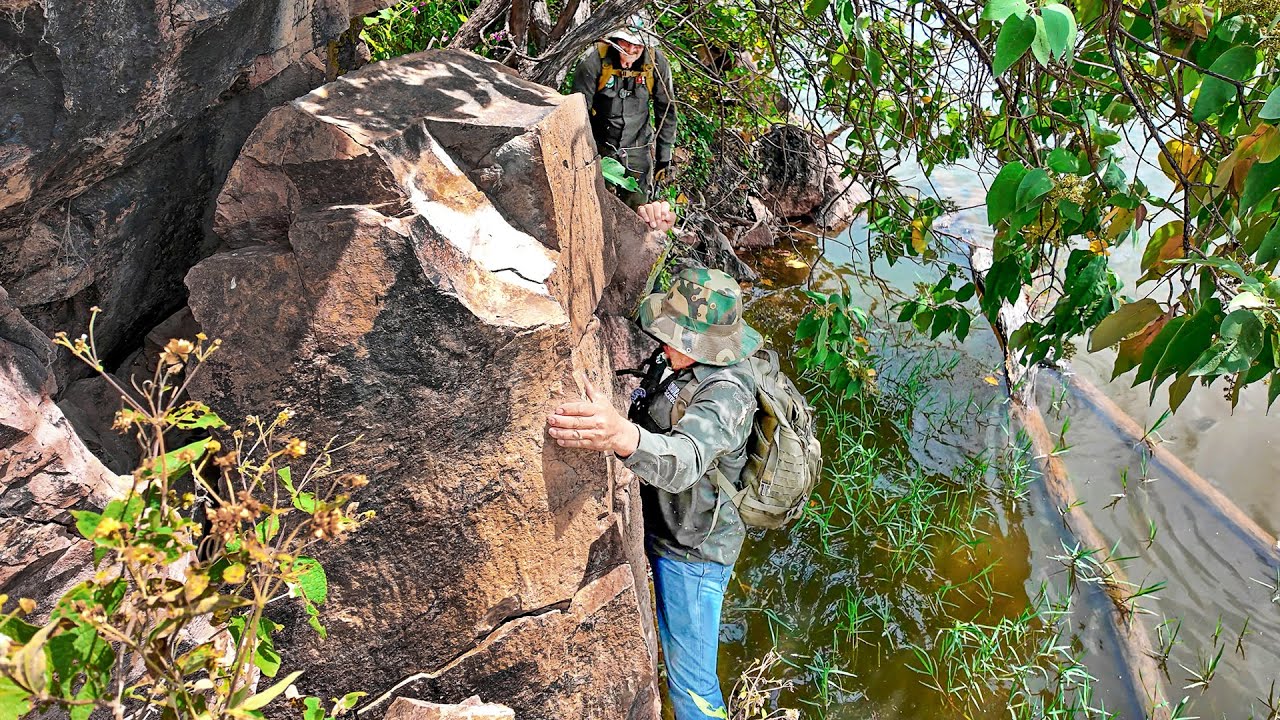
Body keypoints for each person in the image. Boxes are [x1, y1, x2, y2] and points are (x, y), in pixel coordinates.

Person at [546, 266, 762, 719]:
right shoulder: (681, 358)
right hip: (671, 521)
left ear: (714, 347)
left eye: (683, 339)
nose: (668, 344)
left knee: (693, 686)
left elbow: (685, 462)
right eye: (671, 330)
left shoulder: (727, 396)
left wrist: (619, 435)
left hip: (696, 553)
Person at [570, 14, 677, 209]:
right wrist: (580, 152)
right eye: (625, 44)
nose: (630, 50)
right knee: (594, 205)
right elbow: (577, 110)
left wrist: (664, 157)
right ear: (615, 40)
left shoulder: (656, 63)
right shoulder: (594, 61)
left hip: (638, 149)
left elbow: (666, 110)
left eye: (637, 46)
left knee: (637, 209)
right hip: (600, 146)